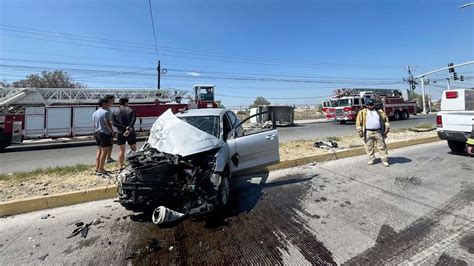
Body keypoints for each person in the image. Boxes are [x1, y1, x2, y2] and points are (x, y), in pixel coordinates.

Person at [355, 99, 391, 166]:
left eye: (372, 104)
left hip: (378, 132)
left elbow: (386, 120)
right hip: (368, 132)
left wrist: (387, 128)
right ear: (366, 105)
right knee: (369, 147)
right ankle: (371, 159)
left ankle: (384, 160)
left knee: (382, 146)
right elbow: (358, 123)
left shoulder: (379, 111)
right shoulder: (362, 112)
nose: (371, 106)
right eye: (369, 105)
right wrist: (360, 131)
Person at [112, 97, 137, 170]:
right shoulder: (131, 110)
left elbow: (114, 123)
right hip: (131, 132)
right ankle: (134, 165)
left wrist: (124, 127)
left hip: (120, 132)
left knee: (121, 150)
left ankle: (120, 166)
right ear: (126, 103)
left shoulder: (115, 112)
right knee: (133, 149)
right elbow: (133, 121)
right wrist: (128, 128)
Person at [93, 98, 114, 176]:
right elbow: (108, 124)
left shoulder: (94, 113)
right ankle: (101, 169)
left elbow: (94, 124)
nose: (109, 104)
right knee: (104, 152)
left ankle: (97, 168)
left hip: (96, 133)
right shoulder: (105, 113)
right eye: (108, 103)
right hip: (104, 134)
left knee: (99, 151)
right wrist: (112, 132)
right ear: (104, 104)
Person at [104, 95, 116, 163]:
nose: (114, 101)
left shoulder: (107, 108)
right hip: (107, 130)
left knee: (107, 145)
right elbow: (108, 122)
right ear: (109, 100)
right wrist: (112, 131)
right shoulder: (107, 110)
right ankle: (108, 158)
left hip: (105, 130)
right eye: (113, 99)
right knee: (109, 144)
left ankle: (108, 157)